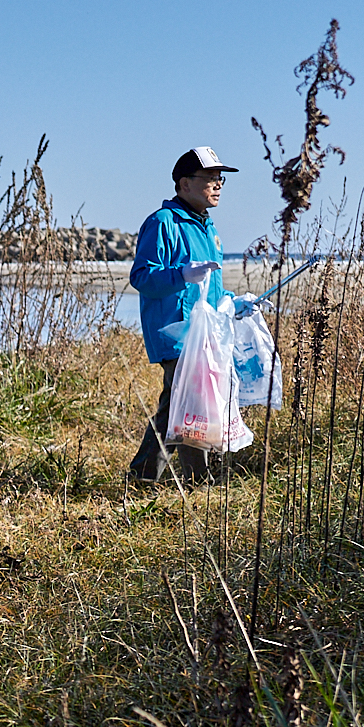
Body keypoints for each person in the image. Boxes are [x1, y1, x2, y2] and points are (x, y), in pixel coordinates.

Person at [126, 146, 240, 488]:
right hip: (176, 332)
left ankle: (172, 480)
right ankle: (165, 480)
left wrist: (235, 303)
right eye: (210, 179)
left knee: (187, 408)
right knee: (184, 406)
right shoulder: (163, 223)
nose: (217, 185)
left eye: (220, 179)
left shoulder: (208, 228)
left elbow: (211, 289)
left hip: (205, 334)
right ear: (184, 184)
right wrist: (180, 274)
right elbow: (142, 277)